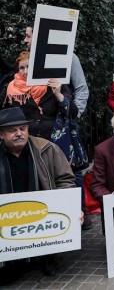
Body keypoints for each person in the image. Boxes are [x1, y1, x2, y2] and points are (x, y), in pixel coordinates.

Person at [0, 108, 78, 283]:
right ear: (1, 135)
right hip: (8, 216)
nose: (19, 134)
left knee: (43, 248)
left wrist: (66, 207)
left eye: (22, 129)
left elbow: (66, 179)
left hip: (42, 215)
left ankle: (46, 258)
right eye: (12, 131)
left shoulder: (47, 149)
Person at [25, 25, 92, 228]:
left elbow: (81, 88)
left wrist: (74, 116)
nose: (25, 40)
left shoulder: (68, 57)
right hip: (36, 128)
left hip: (62, 124)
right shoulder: (26, 63)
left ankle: (79, 214)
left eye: (28, 36)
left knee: (71, 170)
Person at [2, 51, 77, 140]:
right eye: (22, 68)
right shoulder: (11, 88)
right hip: (25, 143)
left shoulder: (54, 83)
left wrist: (58, 94)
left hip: (53, 142)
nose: (25, 72)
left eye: (29, 67)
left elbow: (73, 113)